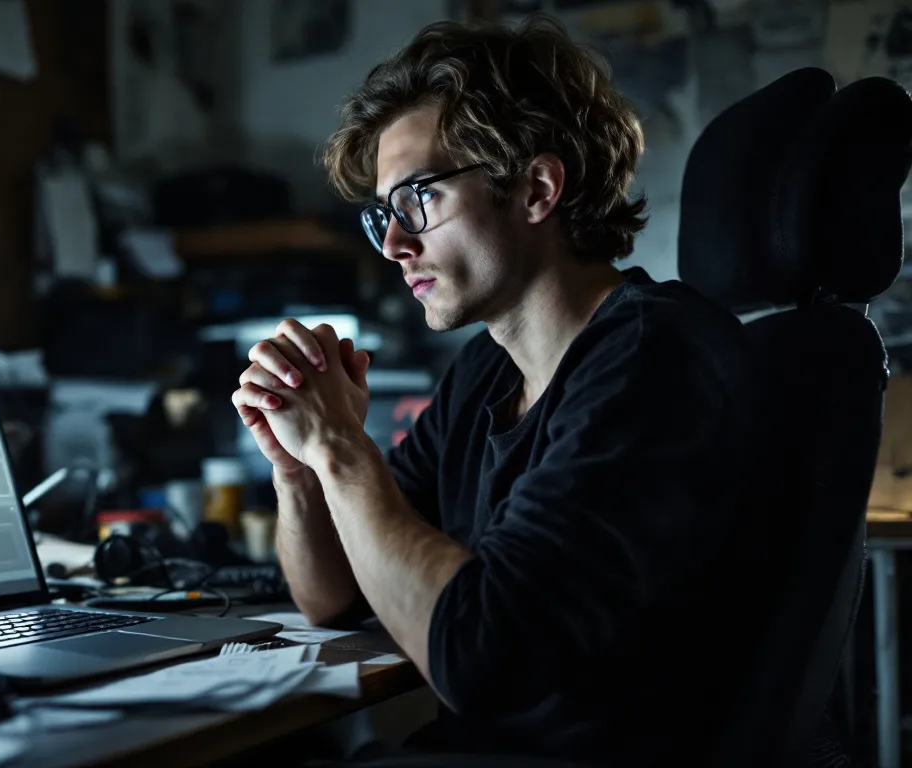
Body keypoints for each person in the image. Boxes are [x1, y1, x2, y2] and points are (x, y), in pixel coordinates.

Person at [231, 16, 766, 766]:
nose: (393, 244)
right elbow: (338, 597)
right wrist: (302, 467)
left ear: (537, 189)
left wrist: (344, 448)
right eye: (383, 214)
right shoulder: (486, 372)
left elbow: (479, 659)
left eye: (418, 199)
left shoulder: (653, 357)